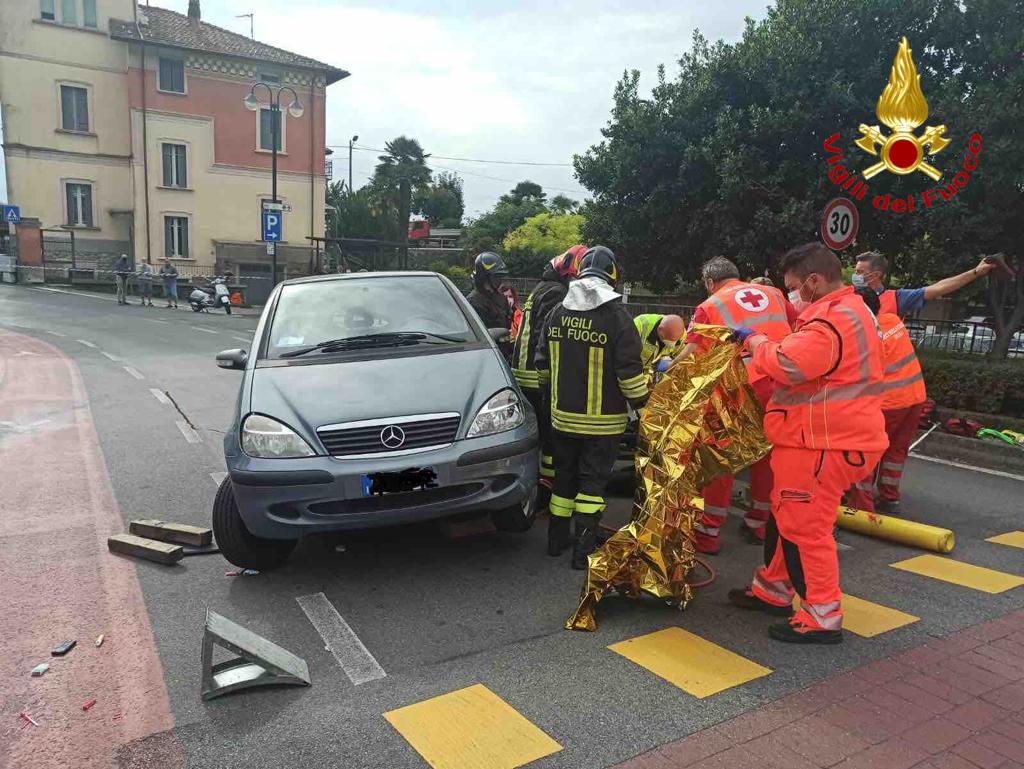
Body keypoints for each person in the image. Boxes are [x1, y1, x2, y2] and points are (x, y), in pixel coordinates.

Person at [727, 242, 887, 644]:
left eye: (795, 286)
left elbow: (789, 363)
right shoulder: (850, 313)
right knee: (788, 519)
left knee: (805, 529)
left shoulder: (830, 322)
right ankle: (773, 589)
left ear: (814, 280)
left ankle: (822, 614)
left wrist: (754, 342)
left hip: (822, 442)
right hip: (823, 439)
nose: (793, 295)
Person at [670, 256, 796, 554]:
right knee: (767, 453)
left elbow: (690, 354)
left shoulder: (710, 305)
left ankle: (710, 530)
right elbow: (796, 324)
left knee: (720, 455)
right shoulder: (774, 293)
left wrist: (668, 369)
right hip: (782, 383)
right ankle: (759, 521)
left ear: (710, 282)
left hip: (740, 388)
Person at [535, 246, 648, 568]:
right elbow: (630, 375)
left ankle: (556, 542)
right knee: (593, 486)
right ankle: (582, 553)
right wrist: (644, 407)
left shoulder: (557, 312)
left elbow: (541, 363)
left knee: (564, 480)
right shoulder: (617, 319)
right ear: (612, 276)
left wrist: (548, 399)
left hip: (562, 420)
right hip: (603, 425)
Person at [511, 245, 587, 505]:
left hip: (525, 372)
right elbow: (550, 335)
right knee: (551, 441)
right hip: (537, 375)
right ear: (568, 274)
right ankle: (548, 492)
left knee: (542, 439)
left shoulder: (542, 288)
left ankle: (543, 490)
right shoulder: (556, 293)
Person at [847, 287, 926, 515]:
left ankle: (861, 506)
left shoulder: (865, 333)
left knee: (865, 450)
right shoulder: (892, 319)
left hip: (889, 402)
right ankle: (889, 497)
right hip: (915, 398)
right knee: (896, 451)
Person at [853, 251, 996, 318]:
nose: (856, 276)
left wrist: (975, 272)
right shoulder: (848, 296)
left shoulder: (896, 299)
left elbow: (938, 287)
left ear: (876, 275)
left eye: (860, 272)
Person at [467, 252, 513, 331]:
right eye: (496, 276)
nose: (500, 280)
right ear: (484, 277)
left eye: (500, 276)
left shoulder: (501, 298)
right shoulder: (474, 302)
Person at [633, 313, 686, 382]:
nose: (673, 345)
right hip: (632, 371)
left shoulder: (680, 333)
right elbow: (625, 356)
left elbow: (683, 359)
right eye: (671, 340)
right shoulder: (639, 325)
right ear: (660, 330)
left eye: (675, 341)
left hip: (650, 375)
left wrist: (671, 364)